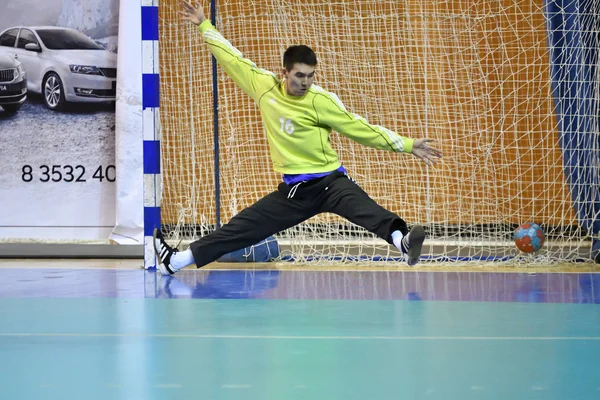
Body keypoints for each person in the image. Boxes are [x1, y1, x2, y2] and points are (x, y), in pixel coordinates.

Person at [153, 0, 443, 275]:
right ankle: (175, 261)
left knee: (368, 209)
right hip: (295, 191)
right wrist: (204, 24)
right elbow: (233, 59)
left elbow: (360, 128)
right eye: (299, 76)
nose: (305, 82)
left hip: (331, 183)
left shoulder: (320, 101)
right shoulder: (265, 87)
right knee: (243, 227)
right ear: (284, 72)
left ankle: (402, 242)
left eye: (311, 76)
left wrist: (407, 145)